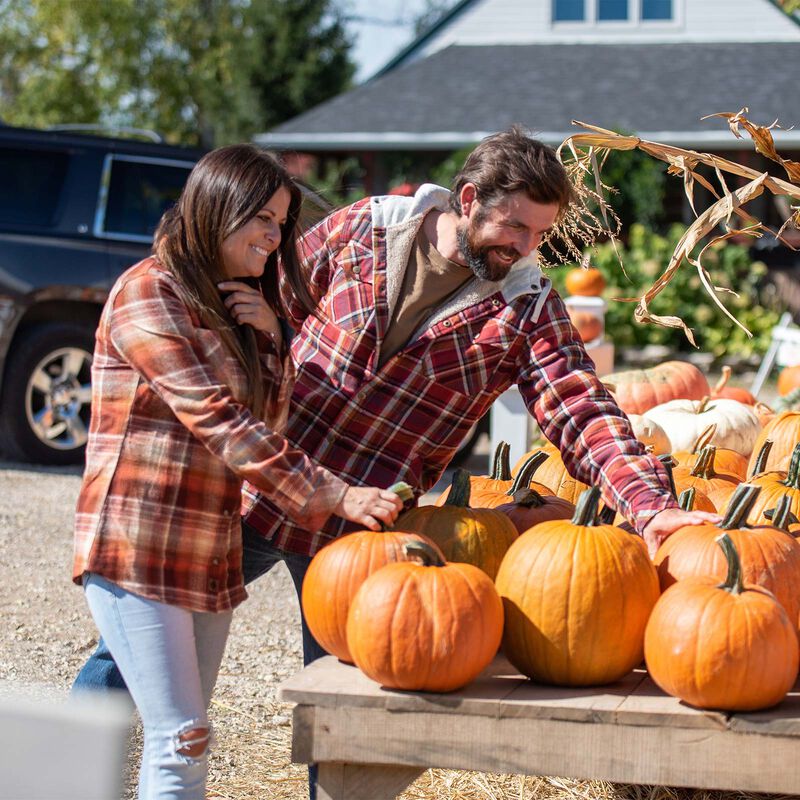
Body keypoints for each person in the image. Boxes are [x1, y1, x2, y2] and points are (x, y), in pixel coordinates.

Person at [71, 143, 402, 800]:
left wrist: (273, 341)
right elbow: (218, 420)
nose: (276, 238)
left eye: (281, 224)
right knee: (181, 739)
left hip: (205, 551)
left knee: (188, 743)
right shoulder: (148, 293)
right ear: (221, 208)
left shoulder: (230, 308)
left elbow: (267, 424)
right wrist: (334, 493)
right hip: (138, 548)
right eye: (264, 221)